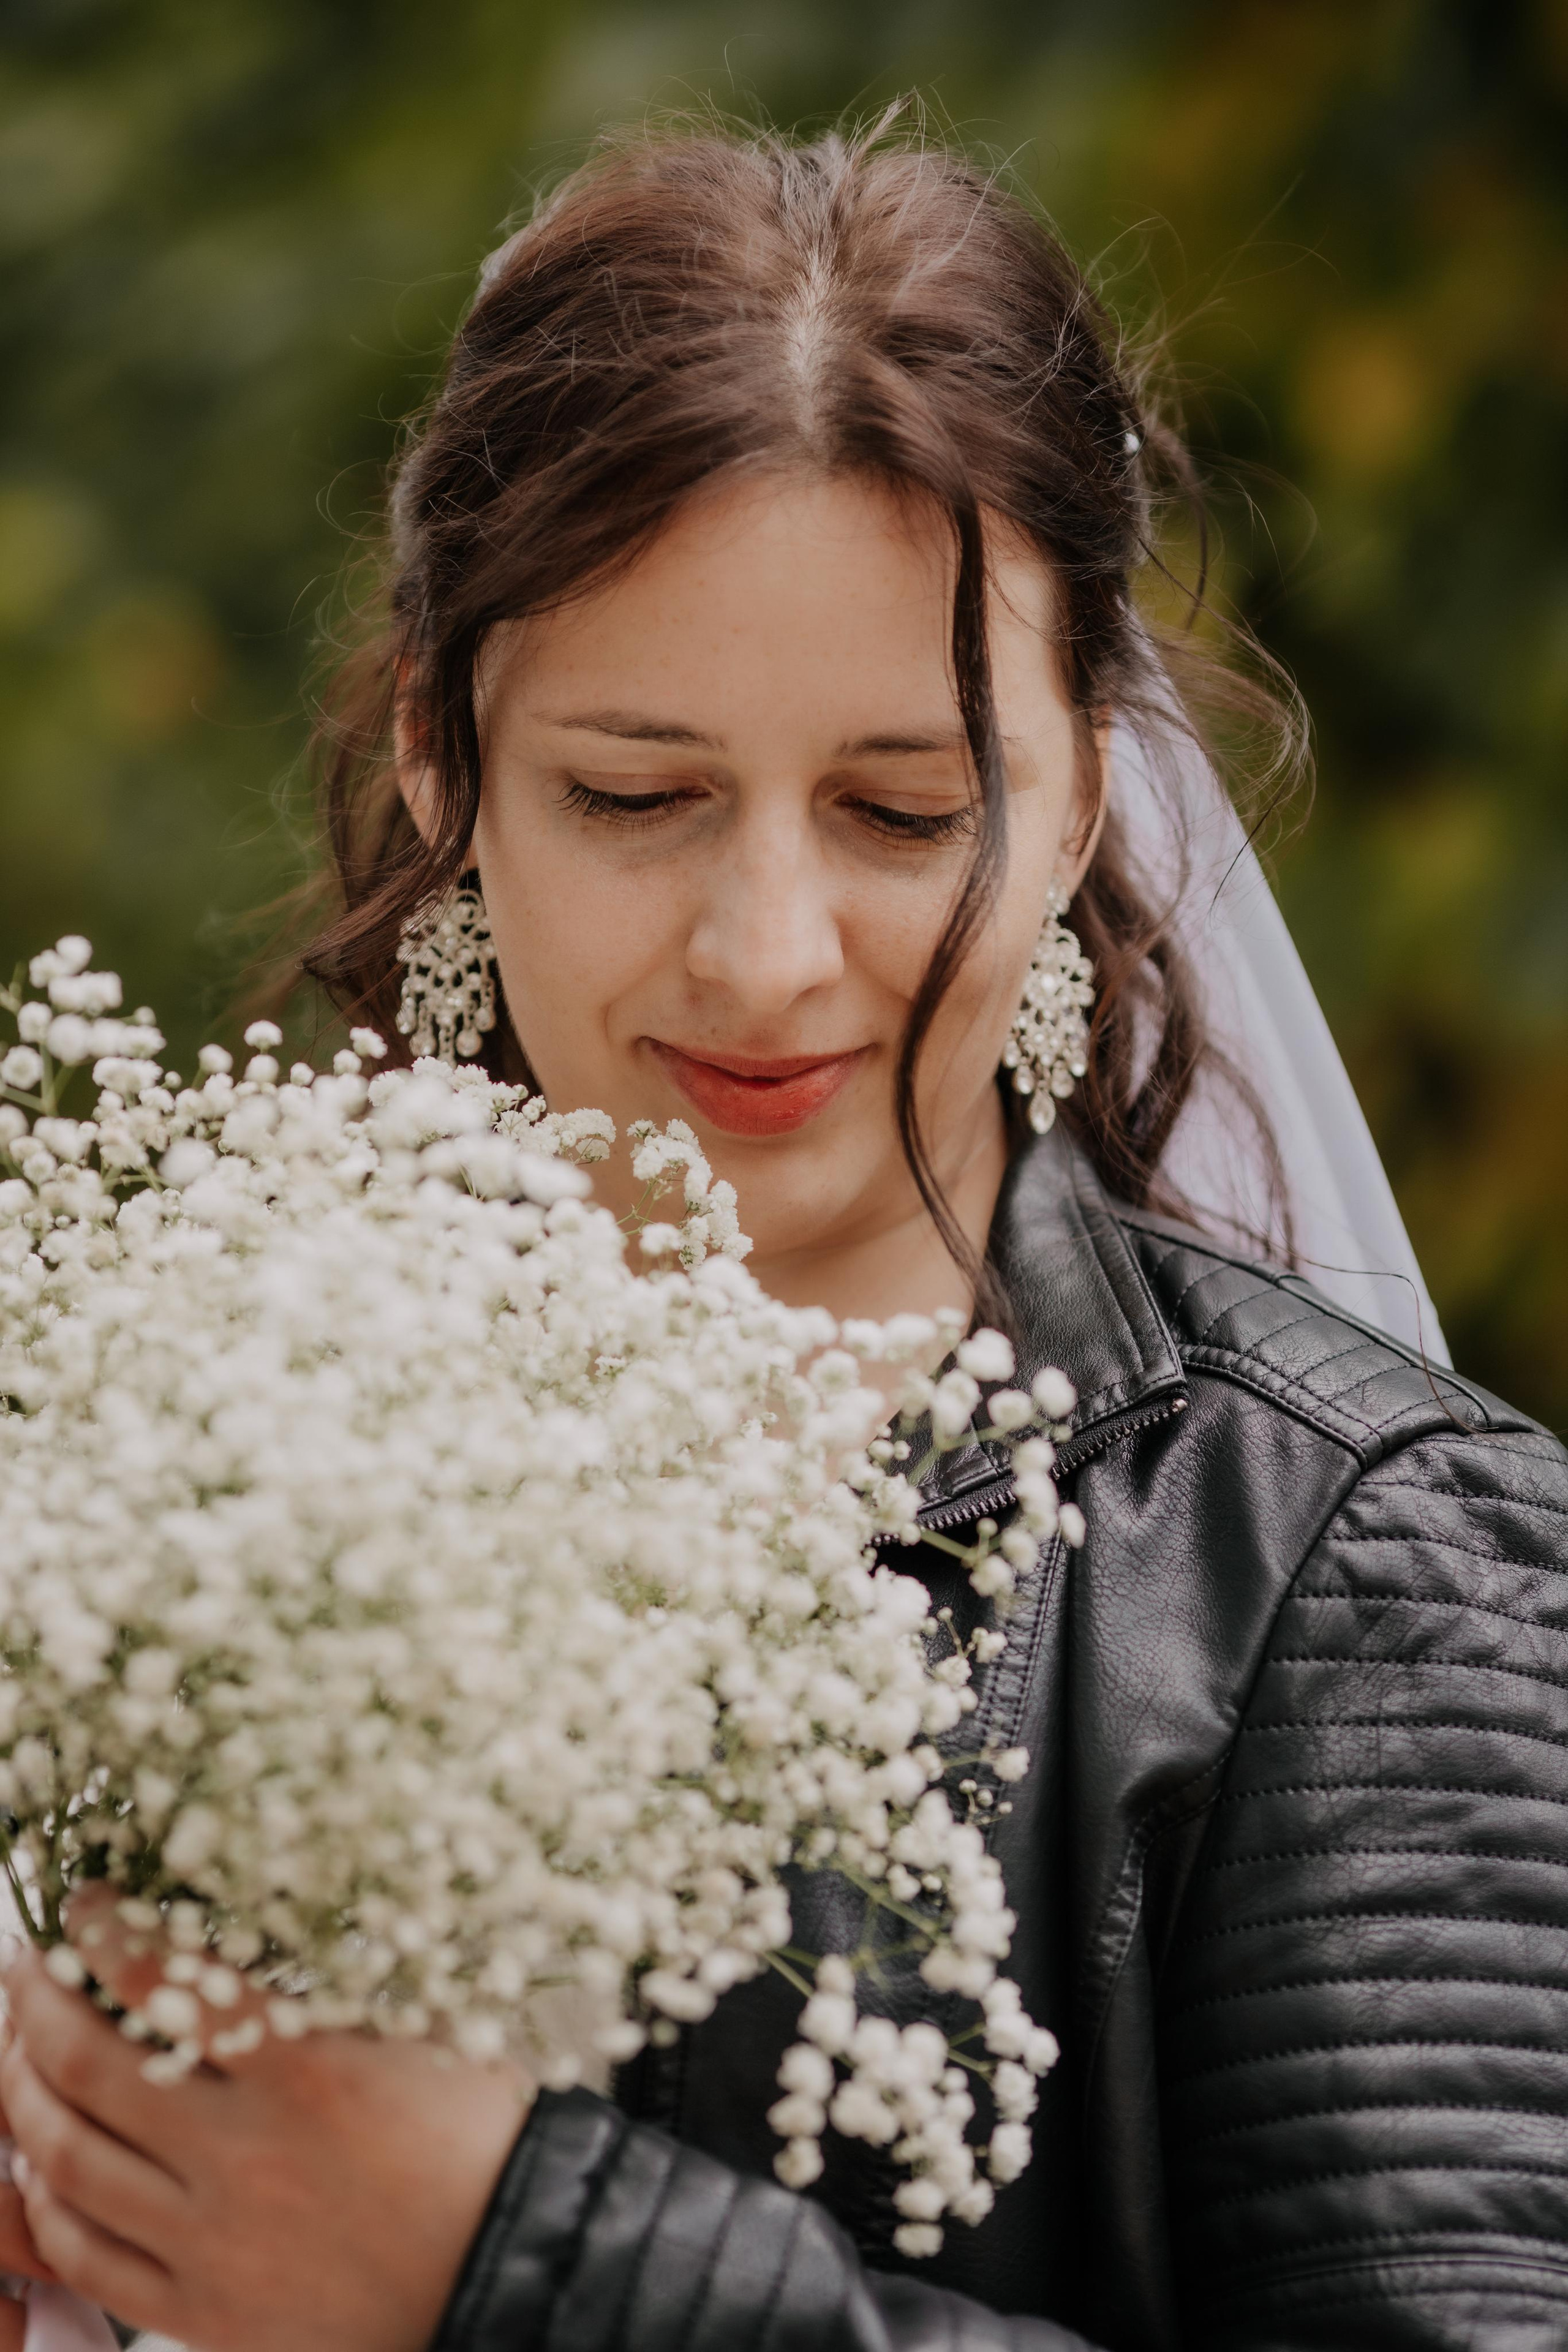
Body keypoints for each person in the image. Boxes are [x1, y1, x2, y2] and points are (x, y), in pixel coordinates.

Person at [1, 119, 1566, 2352]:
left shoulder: (1349, 1568)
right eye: (635, 796)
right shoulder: (144, 1432)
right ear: (448, 758)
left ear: (1085, 792)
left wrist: (517, 2276)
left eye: (901, 808)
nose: (768, 953)